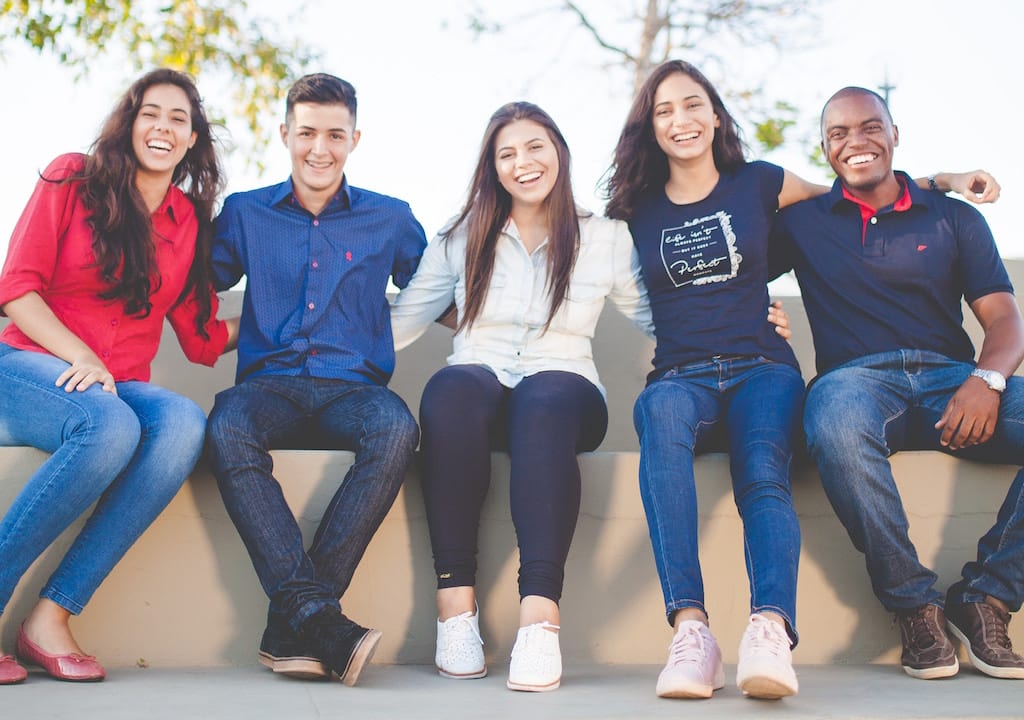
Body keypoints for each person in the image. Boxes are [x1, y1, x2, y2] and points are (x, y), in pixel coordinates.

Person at [603, 59, 996, 700]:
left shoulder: (760, 183)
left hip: (763, 367)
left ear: (716, 114)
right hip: (679, 374)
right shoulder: (632, 211)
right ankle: (692, 631)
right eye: (665, 110)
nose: (682, 120)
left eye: (694, 104)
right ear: (649, 126)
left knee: (762, 470)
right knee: (660, 422)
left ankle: (769, 630)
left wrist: (944, 180)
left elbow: (856, 194)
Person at [389, 102, 663, 692]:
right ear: (493, 168)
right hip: (480, 386)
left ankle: (539, 620)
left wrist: (742, 325)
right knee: (451, 389)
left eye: (535, 146)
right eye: (507, 153)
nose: (523, 162)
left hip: (565, 390)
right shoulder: (462, 237)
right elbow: (401, 321)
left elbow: (656, 316)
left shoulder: (605, 238)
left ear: (558, 151)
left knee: (542, 401)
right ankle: (455, 609)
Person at [771, 86, 1024, 682]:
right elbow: (731, 234)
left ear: (894, 134)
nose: (855, 142)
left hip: (954, 383)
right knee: (832, 421)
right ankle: (915, 607)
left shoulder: (953, 216)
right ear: (825, 149)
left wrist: (987, 380)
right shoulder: (802, 223)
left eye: (869, 127)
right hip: (855, 384)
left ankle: (987, 597)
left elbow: (1005, 319)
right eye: (838, 134)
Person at [0, 68, 236, 685]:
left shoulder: (187, 222)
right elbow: (16, 290)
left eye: (178, 119)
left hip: (116, 383)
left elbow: (202, 336)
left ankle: (49, 618)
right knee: (109, 428)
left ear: (192, 140)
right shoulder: (71, 177)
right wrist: (79, 354)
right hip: (29, 361)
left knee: (183, 423)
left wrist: (297, 317)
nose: (162, 127)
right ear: (130, 123)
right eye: (150, 113)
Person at [205, 73, 426, 687]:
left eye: (335, 134)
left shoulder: (391, 218)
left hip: (354, 389)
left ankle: (297, 622)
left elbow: (446, 287)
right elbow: (191, 282)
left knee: (396, 429)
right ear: (285, 134)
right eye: (307, 133)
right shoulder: (246, 213)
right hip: (267, 386)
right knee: (225, 427)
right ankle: (321, 621)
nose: (319, 149)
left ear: (356, 138)